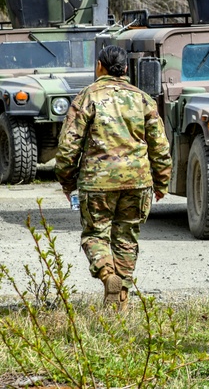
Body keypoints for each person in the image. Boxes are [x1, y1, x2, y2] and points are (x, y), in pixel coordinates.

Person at [54, 45, 172, 311]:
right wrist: (162, 182)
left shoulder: (87, 97)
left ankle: (108, 276)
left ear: (99, 66)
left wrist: (67, 181)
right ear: (126, 69)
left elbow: (68, 146)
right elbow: (160, 146)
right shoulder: (143, 99)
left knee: (95, 235)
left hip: (97, 183)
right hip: (137, 181)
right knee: (126, 238)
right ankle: (121, 300)